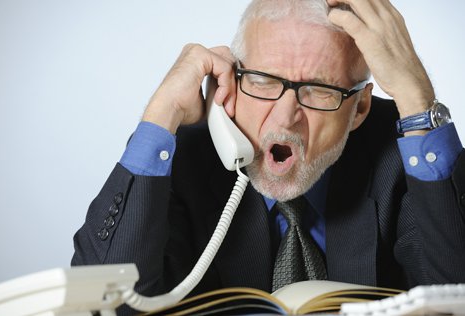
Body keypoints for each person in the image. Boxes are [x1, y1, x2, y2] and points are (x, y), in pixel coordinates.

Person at [72, 0, 465, 314]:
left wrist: (416, 99)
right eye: (261, 81)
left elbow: (456, 291)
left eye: (319, 90)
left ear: (360, 108)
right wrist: (159, 116)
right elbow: (103, 301)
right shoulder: (182, 155)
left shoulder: (402, 154)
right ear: (230, 81)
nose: (285, 117)